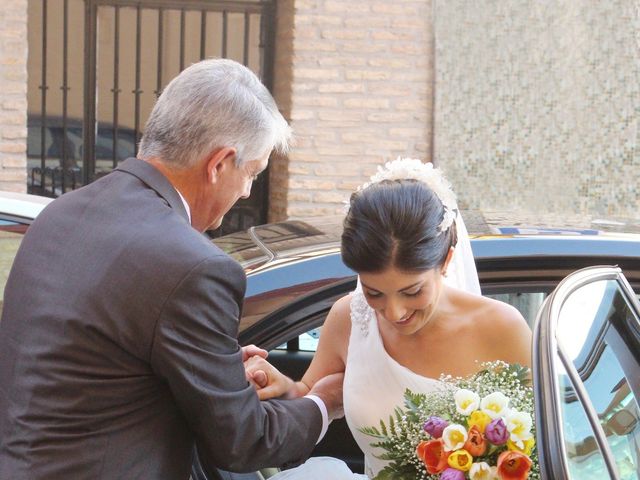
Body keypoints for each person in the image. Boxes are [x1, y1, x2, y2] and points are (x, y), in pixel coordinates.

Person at [0, 58, 343, 479]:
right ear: (219, 164)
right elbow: (242, 442)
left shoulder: (60, 214)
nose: (248, 189)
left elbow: (89, 361)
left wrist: (212, 367)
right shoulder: (194, 266)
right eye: (252, 173)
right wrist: (322, 403)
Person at [247, 158, 532, 479]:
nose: (395, 312)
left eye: (412, 292)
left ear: (447, 260)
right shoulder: (348, 317)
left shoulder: (501, 328)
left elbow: (531, 447)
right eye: (374, 293)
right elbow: (311, 394)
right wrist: (281, 385)